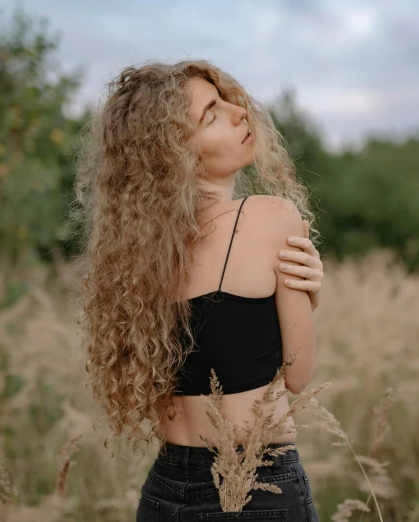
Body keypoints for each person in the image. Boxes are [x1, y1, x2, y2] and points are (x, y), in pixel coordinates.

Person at [73, 60, 324, 522]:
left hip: (166, 491)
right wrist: (308, 296)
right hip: (257, 485)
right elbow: (298, 374)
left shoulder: (135, 261)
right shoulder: (272, 218)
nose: (239, 112)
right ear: (175, 152)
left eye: (227, 99)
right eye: (211, 114)